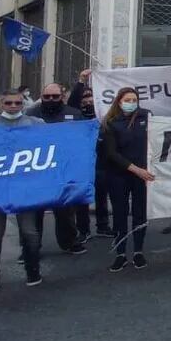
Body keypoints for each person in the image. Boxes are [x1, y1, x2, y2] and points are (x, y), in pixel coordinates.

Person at [0, 91, 47, 296]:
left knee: (30, 231)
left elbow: (52, 147)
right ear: (0, 104)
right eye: (9, 102)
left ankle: (33, 271)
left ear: (23, 104)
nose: (13, 106)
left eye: (18, 103)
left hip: (26, 187)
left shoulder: (36, 124)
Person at [25, 83, 87, 254]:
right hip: (37, 173)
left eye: (55, 96)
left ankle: (69, 242)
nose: (51, 100)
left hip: (64, 173)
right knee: (34, 214)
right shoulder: (30, 115)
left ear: (62, 96)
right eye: (47, 97)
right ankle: (31, 248)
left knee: (65, 212)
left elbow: (83, 142)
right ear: (41, 96)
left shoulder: (74, 115)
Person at [100, 87, 155, 272]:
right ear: (119, 101)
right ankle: (120, 254)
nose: (131, 103)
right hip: (119, 174)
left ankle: (138, 252)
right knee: (120, 214)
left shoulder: (147, 117)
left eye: (134, 100)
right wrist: (135, 170)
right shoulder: (111, 122)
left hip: (143, 174)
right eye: (127, 100)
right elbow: (111, 153)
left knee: (140, 214)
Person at [73, 86, 113, 240]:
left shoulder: (103, 117)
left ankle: (103, 226)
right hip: (81, 164)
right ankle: (83, 229)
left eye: (91, 98)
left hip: (101, 163)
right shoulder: (76, 116)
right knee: (82, 198)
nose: (88, 101)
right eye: (85, 98)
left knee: (101, 196)